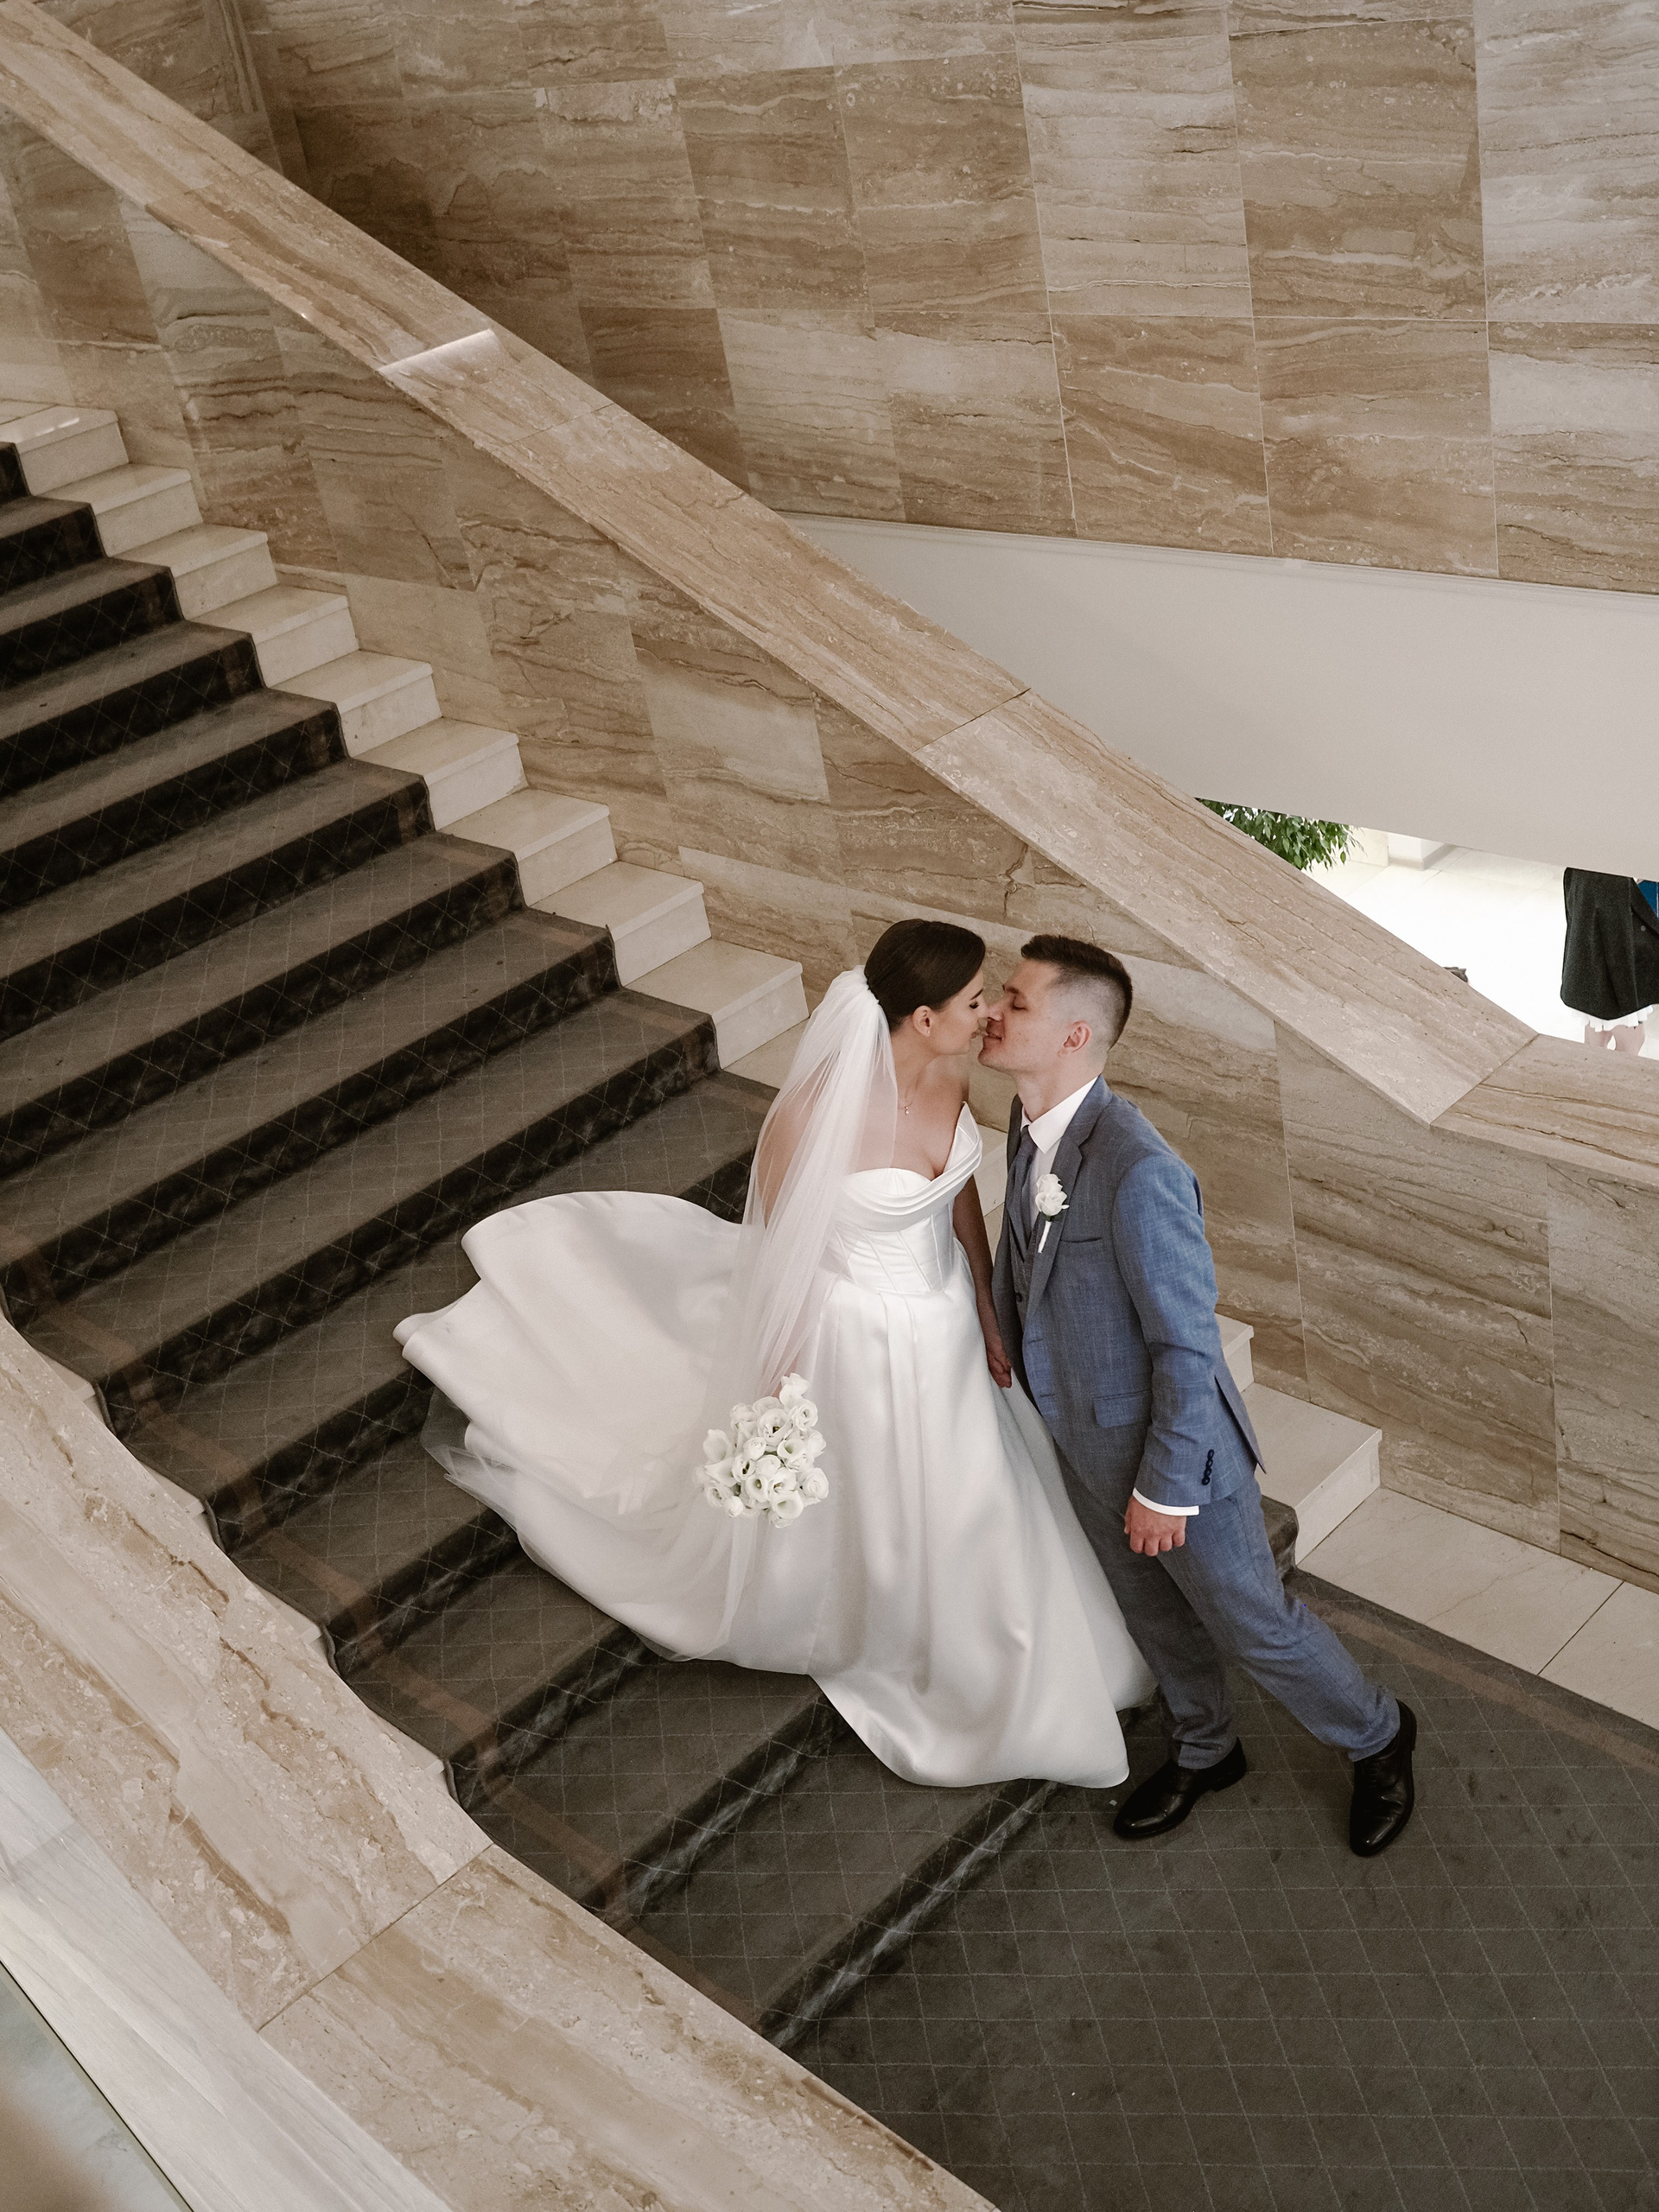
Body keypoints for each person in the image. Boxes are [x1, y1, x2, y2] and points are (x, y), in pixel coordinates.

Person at [396, 918, 1153, 1789]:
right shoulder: (813, 1116)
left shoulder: (953, 1074)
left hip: (944, 1319)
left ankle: (998, 1627)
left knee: (979, 1488)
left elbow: (955, 1197)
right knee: (884, 1493)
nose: (989, 1015)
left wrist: (983, 1303)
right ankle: (898, 1624)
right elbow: (782, 1260)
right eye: (976, 1000)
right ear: (921, 1018)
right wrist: (779, 1395)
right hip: (858, 1338)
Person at [979, 934, 1416, 1857]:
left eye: (1015, 1000)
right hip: (1083, 1438)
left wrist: (1165, 1487)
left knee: (1252, 1621)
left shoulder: (1139, 1170)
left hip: (1178, 1461)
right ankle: (1206, 1746)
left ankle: (1378, 1736)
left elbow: (1186, 1346)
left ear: (1075, 1035)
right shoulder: (1029, 1123)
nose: (991, 1009)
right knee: (1150, 1609)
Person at [1562, 868, 1659, 1052]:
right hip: (1616, 970)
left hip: (1592, 960)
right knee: (1631, 1041)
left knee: (1596, 1037)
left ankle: (1592, 1071)